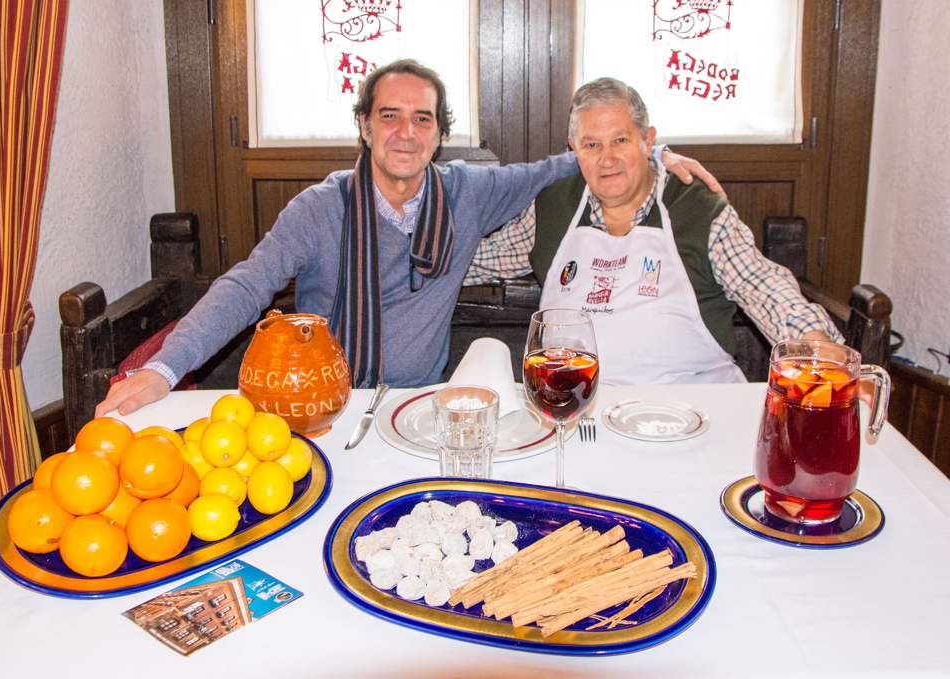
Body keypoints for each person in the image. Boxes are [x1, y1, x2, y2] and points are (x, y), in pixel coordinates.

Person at [96, 61, 718, 416]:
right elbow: (248, 285)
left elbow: (574, 162)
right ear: (364, 127)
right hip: (322, 411)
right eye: (388, 115)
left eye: (422, 118)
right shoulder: (320, 209)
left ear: (438, 135)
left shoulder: (468, 192)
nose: (405, 131)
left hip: (419, 411)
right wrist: (164, 369)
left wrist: (655, 152)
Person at [465, 77, 840, 384]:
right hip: (578, 408)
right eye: (591, 145)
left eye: (621, 140)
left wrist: (812, 342)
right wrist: (414, 263)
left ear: (648, 141)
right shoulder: (552, 208)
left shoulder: (697, 209)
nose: (606, 159)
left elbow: (762, 284)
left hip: (697, 411)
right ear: (573, 150)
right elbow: (474, 261)